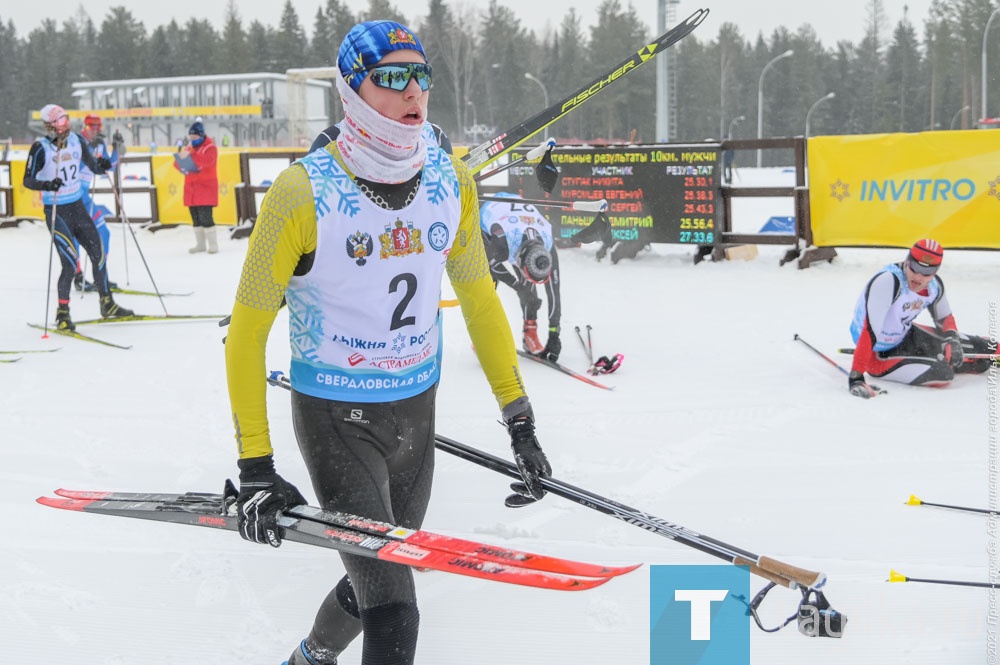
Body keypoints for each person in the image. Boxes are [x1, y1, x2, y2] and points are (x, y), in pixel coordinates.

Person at [223, 20, 552, 665]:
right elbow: (246, 334)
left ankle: (309, 657)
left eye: (419, 75)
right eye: (391, 78)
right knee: (396, 605)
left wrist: (520, 420)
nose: (412, 91)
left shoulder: (450, 179)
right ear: (351, 89)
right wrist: (256, 467)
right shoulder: (302, 192)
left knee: (377, 574)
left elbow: (481, 301)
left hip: (415, 412)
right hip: (336, 417)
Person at [23, 104, 133, 330]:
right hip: (56, 211)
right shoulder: (40, 148)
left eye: (66, 121)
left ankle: (107, 304)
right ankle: (62, 314)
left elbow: (93, 166)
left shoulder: (76, 141)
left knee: (98, 253)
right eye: (60, 123)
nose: (65, 127)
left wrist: (102, 166)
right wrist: (47, 184)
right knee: (70, 263)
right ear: (49, 126)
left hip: (77, 207)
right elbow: (28, 180)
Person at [848, 238, 996, 397]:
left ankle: (973, 356)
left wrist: (952, 340)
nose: (918, 276)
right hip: (877, 354)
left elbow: (944, 318)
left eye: (926, 272)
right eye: (914, 267)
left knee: (985, 346)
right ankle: (965, 362)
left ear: (935, 271)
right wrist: (856, 375)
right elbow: (870, 331)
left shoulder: (934, 286)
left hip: (904, 335)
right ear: (907, 261)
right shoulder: (888, 281)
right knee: (942, 373)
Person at [479, 192, 562, 361]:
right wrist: (518, 287)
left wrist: (555, 333)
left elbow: (554, 291)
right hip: (491, 218)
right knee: (487, 284)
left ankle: (529, 333)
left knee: (528, 288)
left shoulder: (548, 245)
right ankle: (484, 333)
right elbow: (488, 265)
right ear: (519, 261)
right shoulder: (503, 245)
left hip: (521, 220)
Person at [73, 114, 121, 291]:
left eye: (97, 127)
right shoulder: (75, 141)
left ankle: (101, 276)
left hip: (84, 197)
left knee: (104, 233)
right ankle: (77, 276)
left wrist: (116, 147)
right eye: (91, 127)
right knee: (75, 236)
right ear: (84, 127)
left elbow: (110, 166)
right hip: (70, 197)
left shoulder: (99, 143)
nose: (94, 131)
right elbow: (70, 167)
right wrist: (88, 153)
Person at [173, 120, 219, 254]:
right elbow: (178, 164)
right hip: (191, 188)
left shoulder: (210, 148)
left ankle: (213, 244)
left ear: (201, 135)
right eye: (190, 137)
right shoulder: (189, 148)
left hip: (205, 188)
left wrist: (191, 154)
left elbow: (206, 162)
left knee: (206, 217)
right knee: (195, 217)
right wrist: (181, 160)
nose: (192, 140)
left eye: (195, 137)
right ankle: (200, 244)